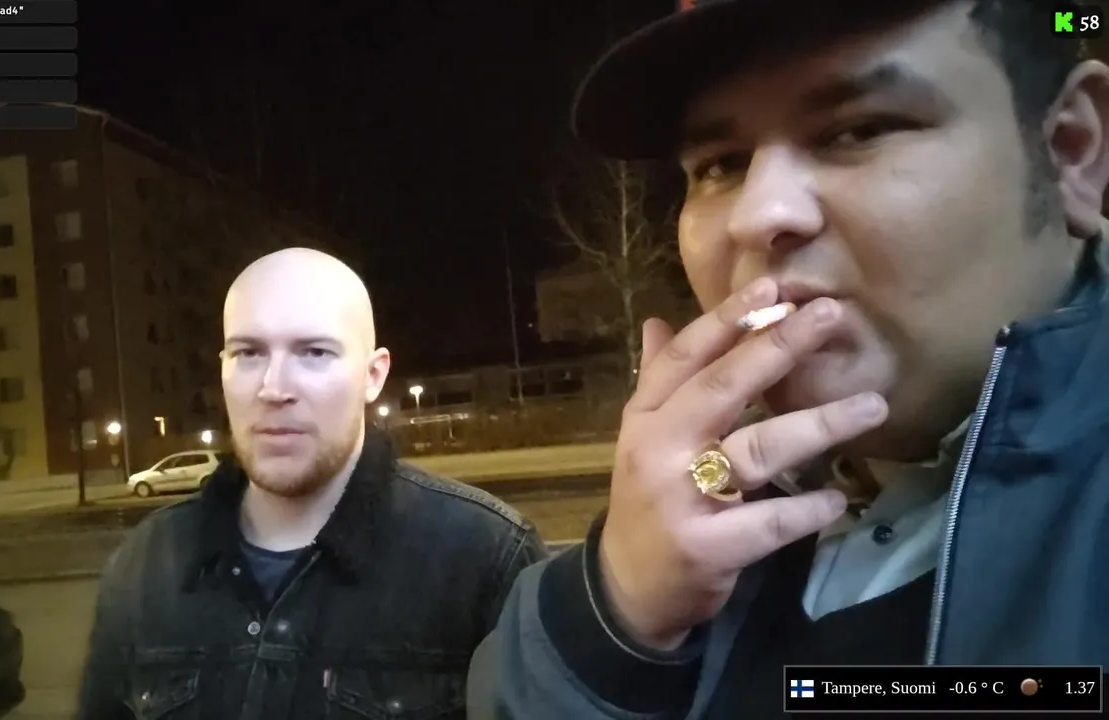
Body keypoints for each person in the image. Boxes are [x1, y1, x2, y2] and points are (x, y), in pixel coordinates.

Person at [470, 0, 1109, 717]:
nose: (756, 215)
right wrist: (613, 618)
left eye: (858, 130)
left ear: (1072, 152)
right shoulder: (696, 519)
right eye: (721, 165)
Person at [77, 247, 546, 719]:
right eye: (248, 353)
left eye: (314, 352)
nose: (273, 388)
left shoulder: (483, 558)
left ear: (373, 375)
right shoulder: (145, 565)